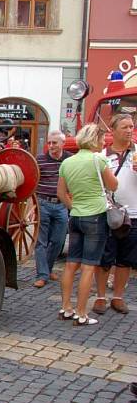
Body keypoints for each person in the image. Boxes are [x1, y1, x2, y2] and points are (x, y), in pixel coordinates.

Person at [57, 124, 118, 325]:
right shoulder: (98, 159)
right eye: (102, 139)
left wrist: (74, 207)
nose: (103, 143)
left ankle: (66, 307)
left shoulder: (67, 162)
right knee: (88, 266)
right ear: (95, 140)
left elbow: (61, 194)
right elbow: (113, 185)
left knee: (70, 264)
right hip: (96, 215)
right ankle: (81, 313)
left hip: (76, 216)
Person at [92, 113, 137, 315]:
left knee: (126, 259)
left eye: (131, 127)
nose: (129, 130)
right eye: (125, 127)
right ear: (113, 130)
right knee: (104, 258)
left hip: (134, 213)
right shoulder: (101, 155)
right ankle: (101, 296)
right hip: (108, 213)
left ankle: (118, 297)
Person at [33, 130, 71, 287]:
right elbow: (33, 180)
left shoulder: (69, 159)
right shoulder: (40, 160)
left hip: (61, 205)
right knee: (41, 242)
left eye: (54, 143)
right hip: (43, 203)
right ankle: (42, 275)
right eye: (49, 142)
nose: (51, 146)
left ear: (62, 143)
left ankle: (47, 269)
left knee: (58, 240)